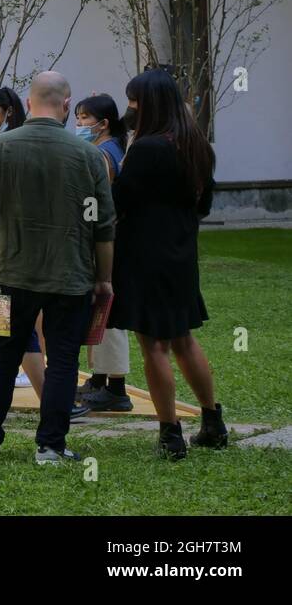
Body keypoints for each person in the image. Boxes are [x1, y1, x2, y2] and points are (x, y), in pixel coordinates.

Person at [0, 71, 114, 464]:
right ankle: (51, 444)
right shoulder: (87, 155)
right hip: (71, 279)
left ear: (28, 104)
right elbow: (103, 226)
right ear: (67, 105)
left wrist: (2, 253)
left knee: (3, 354)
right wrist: (103, 278)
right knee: (63, 359)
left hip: (10, 280)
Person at [108, 69, 226, 460]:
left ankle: (170, 432)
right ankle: (212, 421)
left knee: (153, 345)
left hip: (144, 255)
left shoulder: (146, 149)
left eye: (134, 101)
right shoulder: (198, 146)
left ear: (148, 104)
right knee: (184, 339)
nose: (130, 108)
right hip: (182, 253)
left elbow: (119, 202)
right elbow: (204, 206)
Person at [73, 93, 133, 412]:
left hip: (105, 241)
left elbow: (96, 203)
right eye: (78, 117)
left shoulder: (103, 155)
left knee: (109, 313)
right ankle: (98, 378)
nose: (79, 124)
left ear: (103, 123)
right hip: (103, 239)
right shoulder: (104, 149)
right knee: (99, 310)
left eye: (84, 118)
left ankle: (117, 388)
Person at [0, 84, 45, 393]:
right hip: (6, 254)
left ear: (10, 112)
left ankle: (34, 375)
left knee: (13, 321)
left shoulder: (4, 147)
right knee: (7, 321)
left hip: (9, 253)